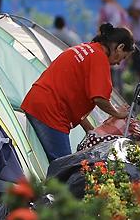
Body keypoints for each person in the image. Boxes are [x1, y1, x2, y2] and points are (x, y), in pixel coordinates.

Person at [21, 24, 133, 163]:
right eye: (122, 58)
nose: (118, 64)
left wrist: (90, 130)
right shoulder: (99, 58)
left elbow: (72, 93)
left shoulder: (86, 49)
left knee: (55, 164)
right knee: (64, 168)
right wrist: (118, 113)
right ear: (120, 47)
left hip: (38, 103)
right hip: (50, 112)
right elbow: (99, 98)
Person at [98, 0, 130, 93]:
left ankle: (110, 98)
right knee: (118, 75)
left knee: (109, 76)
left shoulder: (105, 8)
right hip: (122, 44)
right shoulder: (120, 8)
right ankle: (121, 100)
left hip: (109, 45)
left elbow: (101, 27)